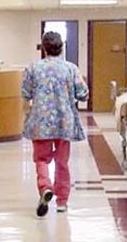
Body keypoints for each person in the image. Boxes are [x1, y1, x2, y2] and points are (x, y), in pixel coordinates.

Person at [21, 31, 89, 217]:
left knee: (41, 159)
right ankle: (62, 202)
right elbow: (83, 93)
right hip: (64, 120)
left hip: (40, 120)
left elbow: (26, 93)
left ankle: (45, 188)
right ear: (61, 48)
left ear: (43, 48)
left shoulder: (33, 68)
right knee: (62, 162)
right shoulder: (70, 68)